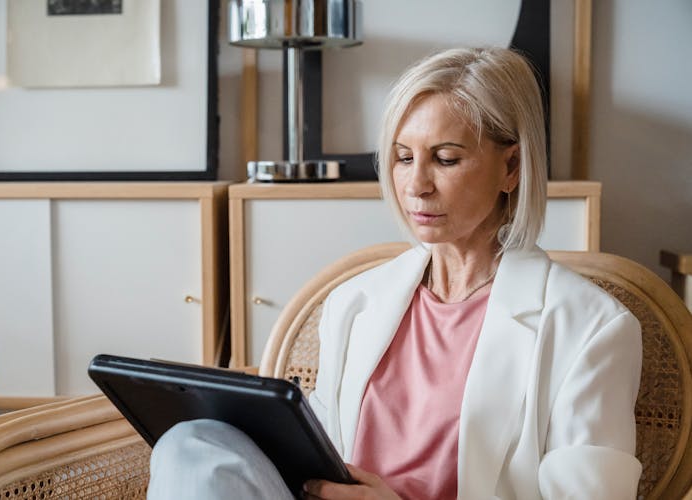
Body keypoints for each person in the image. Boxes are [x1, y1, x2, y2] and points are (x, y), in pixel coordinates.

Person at [148, 47, 642, 499]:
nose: (416, 185)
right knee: (188, 444)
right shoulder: (355, 302)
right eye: (404, 158)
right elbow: (325, 446)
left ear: (511, 168)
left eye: (446, 159)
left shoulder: (592, 327)